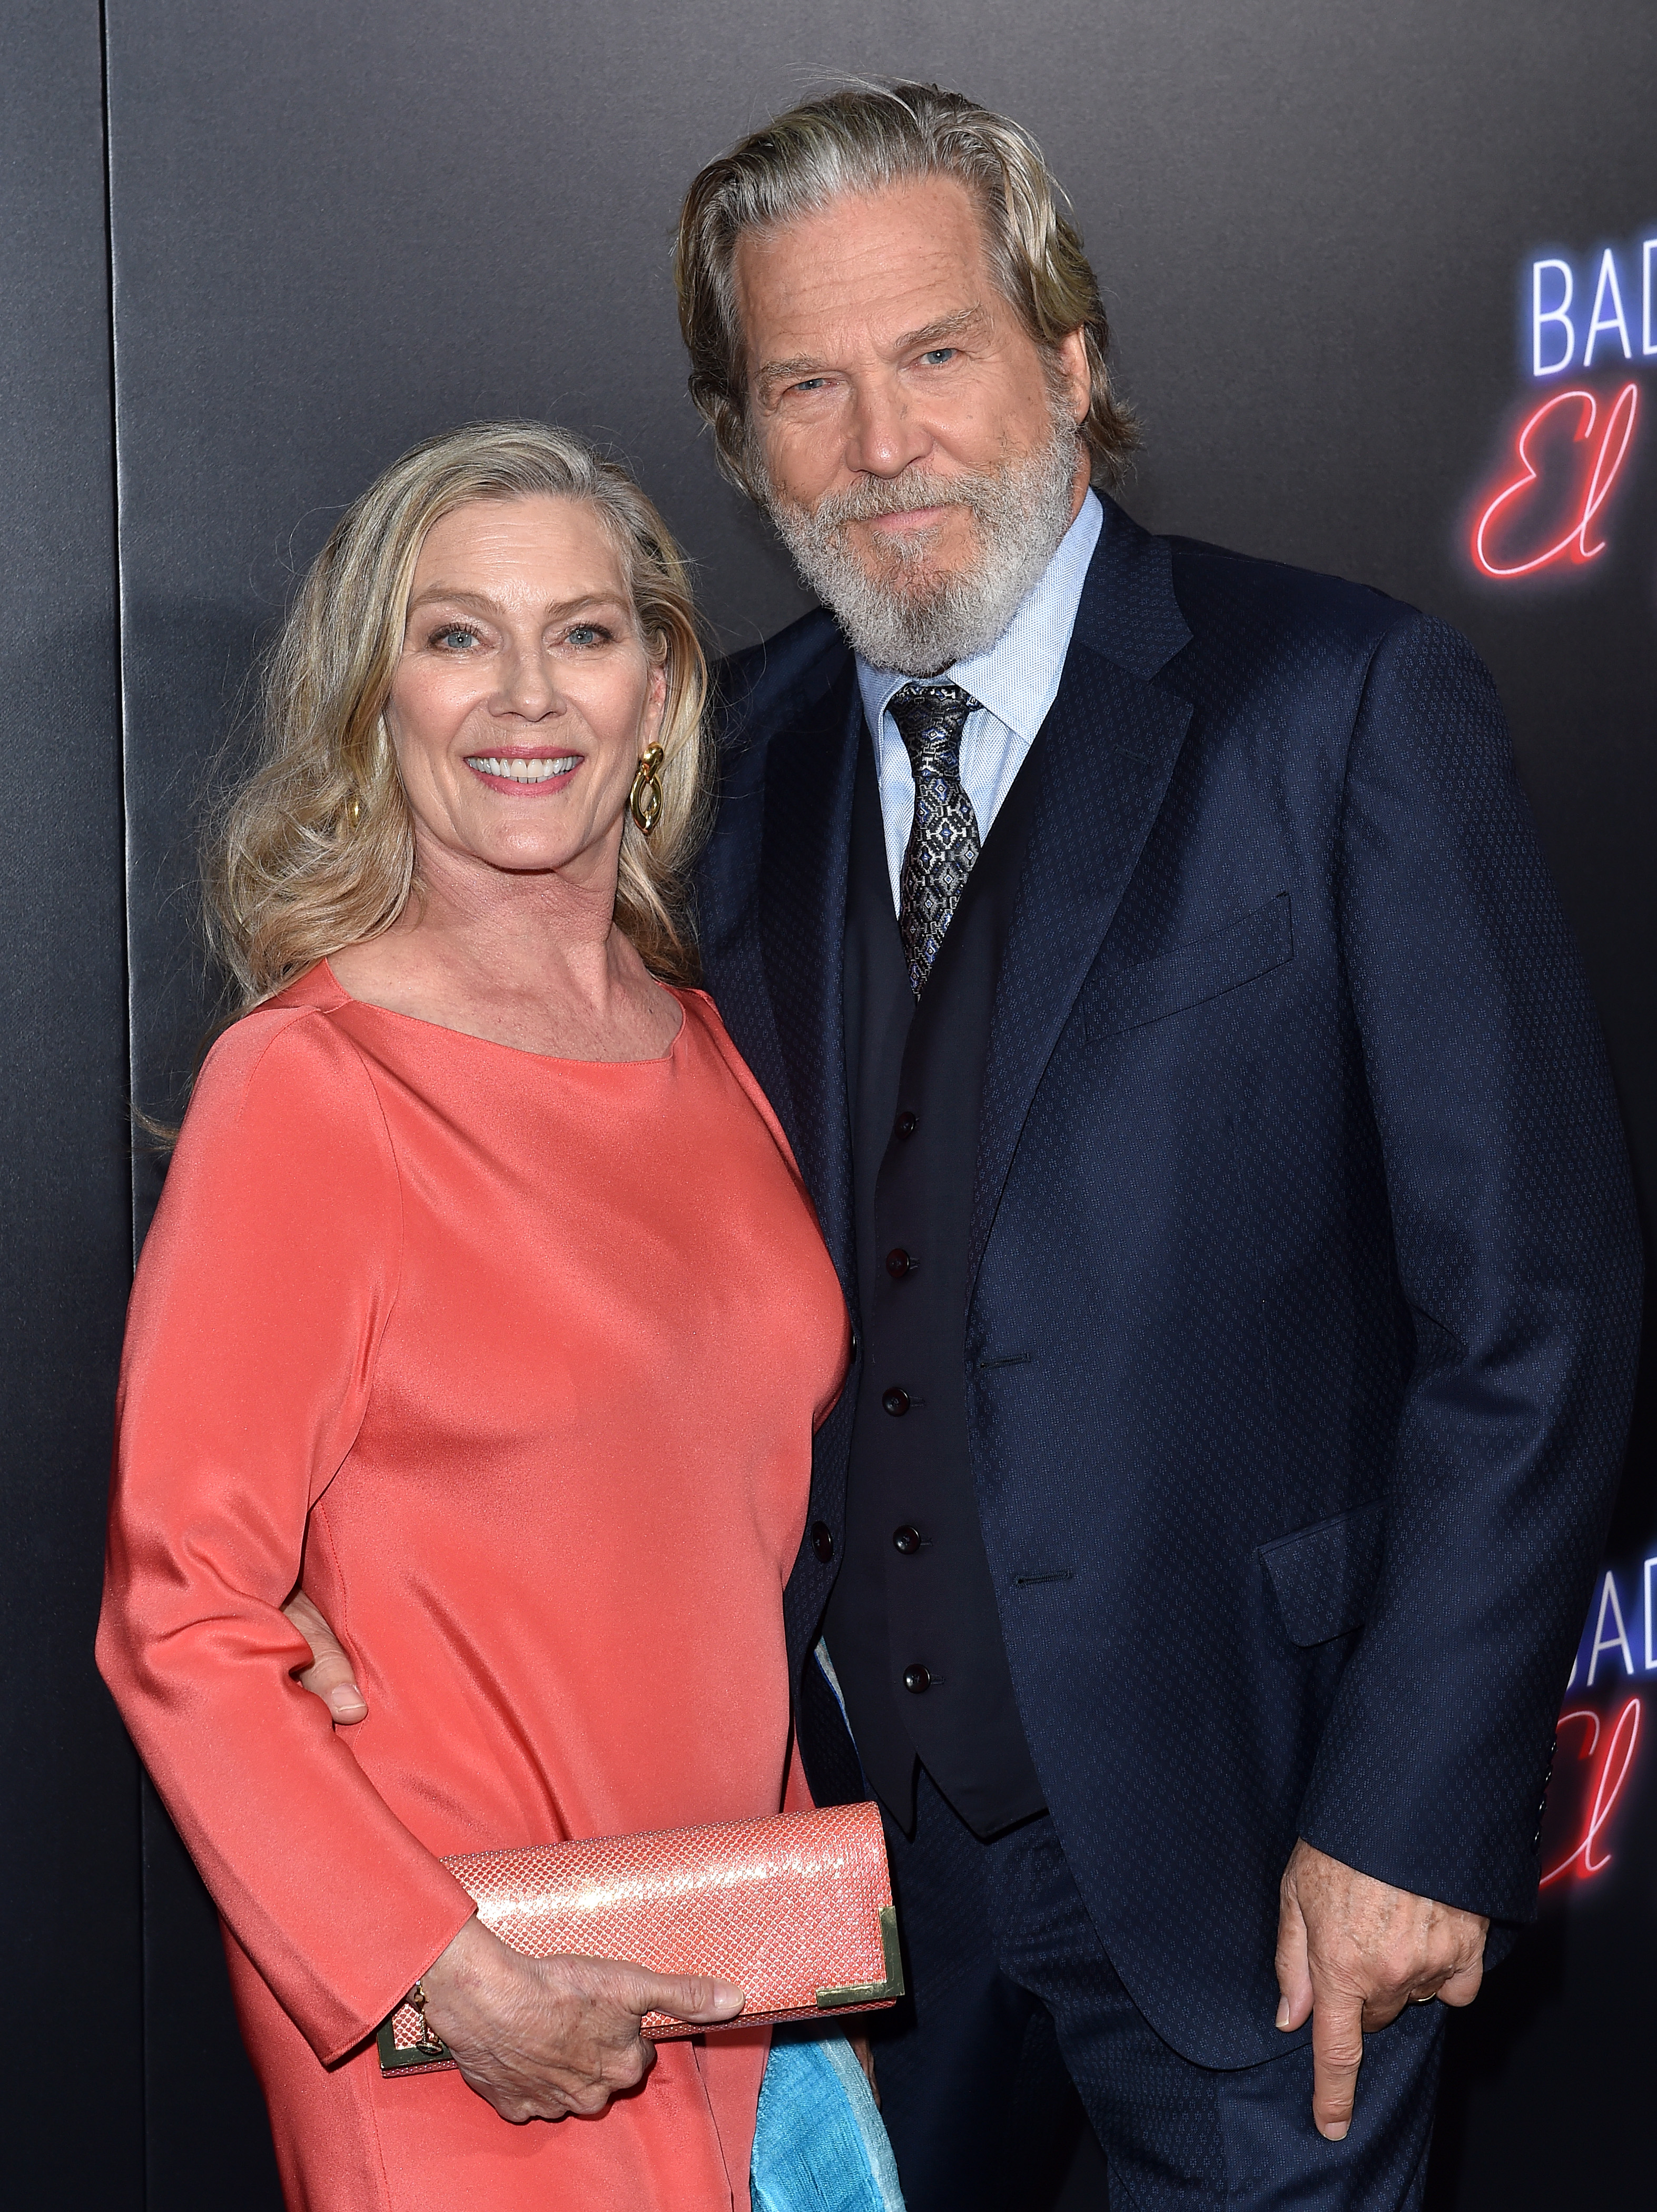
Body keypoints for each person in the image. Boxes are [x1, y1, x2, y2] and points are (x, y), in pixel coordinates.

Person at [289, 83, 1643, 2211]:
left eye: (935, 354)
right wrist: (334, 1571)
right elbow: (531, 1220)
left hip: (1268, 1866)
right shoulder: (731, 766)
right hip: (838, 1896)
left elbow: (1539, 1315)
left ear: (1071, 362)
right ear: (744, 447)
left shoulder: (1338, 704)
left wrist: (1410, 1807)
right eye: (804, 387)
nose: (882, 441)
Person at [96, 422, 857, 2212]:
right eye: (455, 637)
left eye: (583, 634)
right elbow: (178, 1614)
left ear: (660, 689)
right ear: (380, 698)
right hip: (470, 2017)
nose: (526, 695)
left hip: (739, 1980)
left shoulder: (705, 1049)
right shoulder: (309, 1086)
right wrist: (436, 1972)